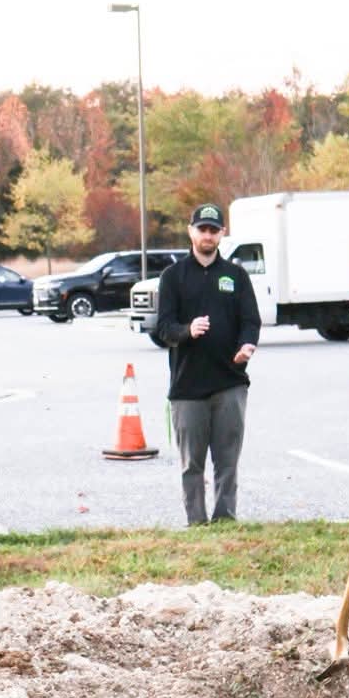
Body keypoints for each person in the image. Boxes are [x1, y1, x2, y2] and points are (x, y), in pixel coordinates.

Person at [152, 202, 261, 524]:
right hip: (187, 387)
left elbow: (250, 321)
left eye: (214, 230)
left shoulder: (236, 275)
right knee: (192, 464)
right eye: (203, 229)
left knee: (227, 461)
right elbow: (163, 329)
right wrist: (188, 330)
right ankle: (196, 522)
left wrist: (247, 346)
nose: (208, 236)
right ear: (191, 232)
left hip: (230, 383)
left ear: (222, 234)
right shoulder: (173, 277)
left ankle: (225, 518)